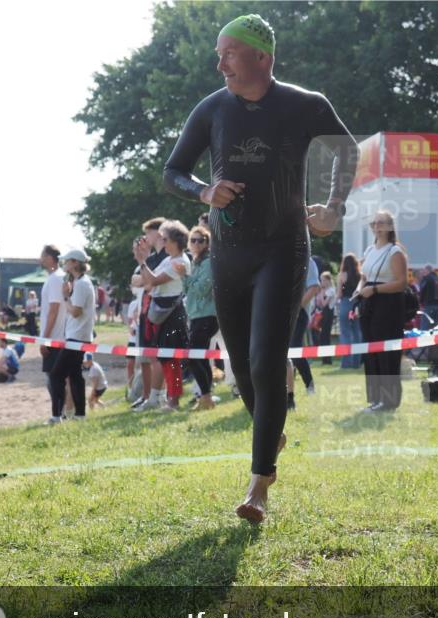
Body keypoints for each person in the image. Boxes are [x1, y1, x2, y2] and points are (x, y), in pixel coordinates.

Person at [162, 13, 358, 523]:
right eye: (219, 53)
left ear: (261, 57)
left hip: (282, 248)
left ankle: (259, 485)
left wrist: (334, 206)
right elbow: (173, 171)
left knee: (266, 359)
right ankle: (271, 432)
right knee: (243, 365)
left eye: (228, 53)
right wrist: (204, 192)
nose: (220, 63)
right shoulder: (212, 109)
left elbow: (346, 149)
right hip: (229, 253)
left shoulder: (305, 104)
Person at [356, 210, 409, 412]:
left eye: (380, 223)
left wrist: (375, 289)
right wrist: (359, 291)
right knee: (371, 352)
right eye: (374, 223)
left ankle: (388, 401)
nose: (376, 227)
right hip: (368, 303)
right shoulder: (370, 250)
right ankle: (375, 399)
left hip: (388, 305)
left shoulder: (395, 251)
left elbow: (401, 283)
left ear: (389, 227)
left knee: (386, 353)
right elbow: (363, 277)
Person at [137, 219, 191, 411]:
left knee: (171, 359)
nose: (162, 242)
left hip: (173, 314)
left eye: (165, 238)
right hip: (164, 313)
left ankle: (173, 401)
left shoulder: (180, 261)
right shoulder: (169, 260)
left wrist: (142, 261)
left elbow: (151, 281)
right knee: (165, 358)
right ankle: (169, 399)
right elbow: (148, 283)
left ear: (176, 240)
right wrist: (144, 268)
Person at [48, 248, 96, 422]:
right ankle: (80, 414)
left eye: (67, 261)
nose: (64, 264)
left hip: (77, 337)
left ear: (75, 263)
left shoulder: (82, 284)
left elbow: (75, 312)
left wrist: (65, 297)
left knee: (56, 375)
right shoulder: (81, 282)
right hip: (77, 336)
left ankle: (56, 416)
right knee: (75, 376)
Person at [130, 217, 170, 411]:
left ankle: (161, 396)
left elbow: (148, 283)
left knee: (162, 357)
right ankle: (148, 396)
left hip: (163, 312)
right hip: (147, 311)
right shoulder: (152, 258)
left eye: (148, 233)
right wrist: (143, 263)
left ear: (159, 232)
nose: (145, 237)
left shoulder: (169, 257)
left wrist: (144, 278)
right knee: (147, 357)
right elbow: (136, 280)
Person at [184, 224, 218, 411]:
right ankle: (207, 398)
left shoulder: (208, 262)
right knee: (200, 357)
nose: (196, 243)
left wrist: (185, 277)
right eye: (193, 240)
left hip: (207, 316)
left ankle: (206, 396)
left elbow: (201, 289)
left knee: (193, 356)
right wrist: (185, 278)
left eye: (200, 240)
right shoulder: (195, 263)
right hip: (197, 315)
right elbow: (187, 289)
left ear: (207, 243)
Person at [286, 255, 321, 410]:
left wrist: (296, 307)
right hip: (278, 314)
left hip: (299, 313)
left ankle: (309, 384)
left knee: (294, 350)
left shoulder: (308, 261)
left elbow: (314, 288)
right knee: (287, 354)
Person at [39, 245, 67, 416]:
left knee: (54, 380)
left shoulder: (56, 278)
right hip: (56, 336)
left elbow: (54, 310)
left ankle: (58, 415)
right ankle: (60, 413)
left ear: (50, 258)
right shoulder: (55, 277)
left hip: (55, 338)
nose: (40, 259)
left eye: (42, 256)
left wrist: (45, 338)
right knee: (54, 379)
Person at [336, 253, 363, 368]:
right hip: (356, 305)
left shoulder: (342, 275)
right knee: (357, 333)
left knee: (345, 333)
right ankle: (356, 362)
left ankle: (346, 363)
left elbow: (339, 294)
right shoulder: (360, 275)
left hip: (346, 304)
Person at [418, 263, 438, 329]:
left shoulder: (426, 279)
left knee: (425, 328)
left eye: (424, 271)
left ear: (428, 270)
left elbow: (422, 291)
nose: (424, 273)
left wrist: (420, 303)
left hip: (428, 306)